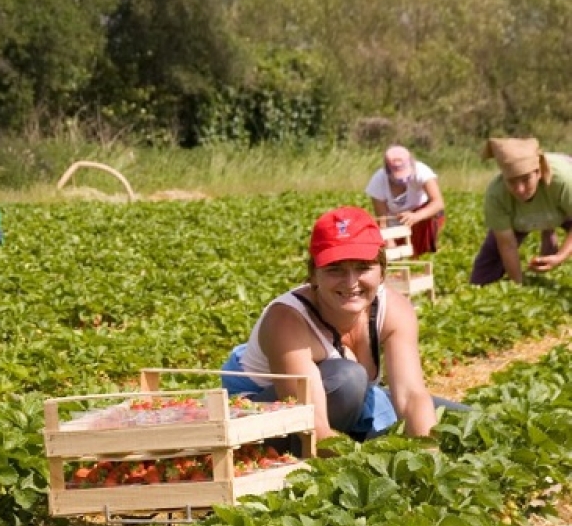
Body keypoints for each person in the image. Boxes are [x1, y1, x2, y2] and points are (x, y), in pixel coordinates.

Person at [220, 207, 441, 444]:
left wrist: (426, 458)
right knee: (347, 379)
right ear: (314, 274)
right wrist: (369, 467)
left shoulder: (395, 310)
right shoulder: (287, 320)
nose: (351, 282)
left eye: (363, 267)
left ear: (383, 272)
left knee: (453, 419)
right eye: (335, 269)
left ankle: (364, 436)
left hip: (348, 402)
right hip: (267, 412)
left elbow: (411, 395)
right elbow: (312, 426)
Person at [471, 137, 572, 286]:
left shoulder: (563, 181)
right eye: (511, 181)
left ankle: (548, 229)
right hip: (524, 217)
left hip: (563, 207)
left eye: (525, 179)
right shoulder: (496, 194)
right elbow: (507, 245)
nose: (520, 189)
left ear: (538, 173)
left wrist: (560, 257)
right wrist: (518, 285)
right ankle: (548, 228)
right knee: (482, 276)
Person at [365, 145, 445, 255]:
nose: (403, 181)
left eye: (406, 177)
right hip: (396, 222)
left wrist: (416, 216)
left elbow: (438, 203)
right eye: (398, 179)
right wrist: (389, 240)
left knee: (435, 215)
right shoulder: (378, 181)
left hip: (422, 218)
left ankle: (428, 248)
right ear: (388, 171)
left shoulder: (422, 171)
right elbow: (382, 220)